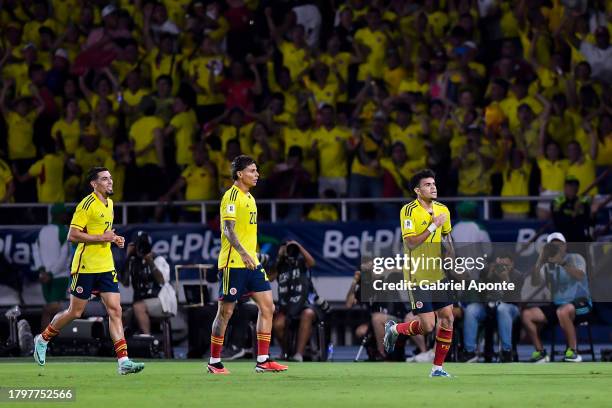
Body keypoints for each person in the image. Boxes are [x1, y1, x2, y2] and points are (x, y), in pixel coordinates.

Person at [33, 167, 145, 375]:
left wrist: (113, 238)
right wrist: (102, 238)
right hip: (85, 266)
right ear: (94, 184)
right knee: (75, 312)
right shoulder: (86, 205)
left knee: (115, 310)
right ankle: (43, 338)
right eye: (105, 179)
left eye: (111, 178)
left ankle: (123, 361)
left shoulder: (110, 204)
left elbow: (103, 233)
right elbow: (72, 235)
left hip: (105, 265)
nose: (110, 182)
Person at [207, 155, 288, 374]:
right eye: (252, 171)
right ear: (240, 174)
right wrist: (243, 253)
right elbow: (228, 230)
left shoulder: (250, 198)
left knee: (268, 306)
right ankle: (214, 361)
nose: (257, 174)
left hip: (251, 262)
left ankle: (263, 360)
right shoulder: (231, 197)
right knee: (225, 312)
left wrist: (253, 254)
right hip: (233, 262)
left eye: (256, 170)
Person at [383, 169, 455, 377]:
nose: (433, 187)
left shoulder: (443, 210)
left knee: (448, 318)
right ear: (417, 190)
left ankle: (438, 368)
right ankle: (395, 330)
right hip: (417, 275)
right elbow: (411, 243)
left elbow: (448, 236)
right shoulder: (408, 210)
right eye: (427, 185)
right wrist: (433, 226)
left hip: (438, 274)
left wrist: (451, 254)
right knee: (427, 326)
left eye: (434, 184)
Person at [521, 232, 592, 363]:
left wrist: (562, 262)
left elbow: (580, 276)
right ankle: (541, 353)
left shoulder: (576, 258)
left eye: (560, 244)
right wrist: (540, 260)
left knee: (562, 311)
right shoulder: (548, 264)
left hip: (582, 304)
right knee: (527, 315)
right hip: (559, 304)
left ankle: (573, 352)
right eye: (553, 245)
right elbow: (535, 282)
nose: (557, 247)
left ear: (565, 246)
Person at [462, 254, 523, 363]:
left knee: (502, 309)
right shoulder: (488, 272)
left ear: (512, 264)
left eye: (506, 265)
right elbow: (480, 294)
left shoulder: (517, 275)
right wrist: (489, 276)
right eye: (501, 265)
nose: (503, 268)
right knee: (471, 309)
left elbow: (513, 298)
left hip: (510, 309)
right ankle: (469, 352)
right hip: (487, 307)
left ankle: (506, 351)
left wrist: (506, 280)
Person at [270, 240, 320, 362]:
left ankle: (298, 354)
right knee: (277, 324)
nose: (289, 249)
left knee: (307, 314)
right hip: (286, 305)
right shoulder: (280, 265)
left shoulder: (302, 262)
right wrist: (279, 257)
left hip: (305, 303)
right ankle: (286, 352)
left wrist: (299, 246)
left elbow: (312, 263)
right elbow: (269, 278)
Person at [122, 231, 177, 335]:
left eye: (144, 245)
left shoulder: (158, 259)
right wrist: (127, 258)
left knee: (138, 307)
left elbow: (162, 281)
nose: (141, 249)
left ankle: (147, 340)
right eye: (138, 245)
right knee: (123, 315)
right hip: (142, 301)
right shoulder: (133, 261)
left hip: (162, 301)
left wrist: (150, 262)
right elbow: (125, 283)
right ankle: (124, 347)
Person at [34, 203, 72, 329]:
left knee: (49, 310)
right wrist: (50, 274)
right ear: (60, 215)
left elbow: (35, 252)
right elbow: (64, 257)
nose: (67, 216)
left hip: (45, 278)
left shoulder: (42, 231)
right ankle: (53, 342)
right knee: (57, 312)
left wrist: (42, 271)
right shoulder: (64, 231)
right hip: (59, 277)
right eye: (65, 214)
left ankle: (45, 343)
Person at [551, 177, 591, 242]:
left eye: (575, 186)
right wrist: (575, 212)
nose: (572, 188)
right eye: (569, 186)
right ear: (564, 187)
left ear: (578, 188)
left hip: (580, 237)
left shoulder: (583, 201)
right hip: (563, 238)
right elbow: (558, 221)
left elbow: (586, 220)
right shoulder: (557, 201)